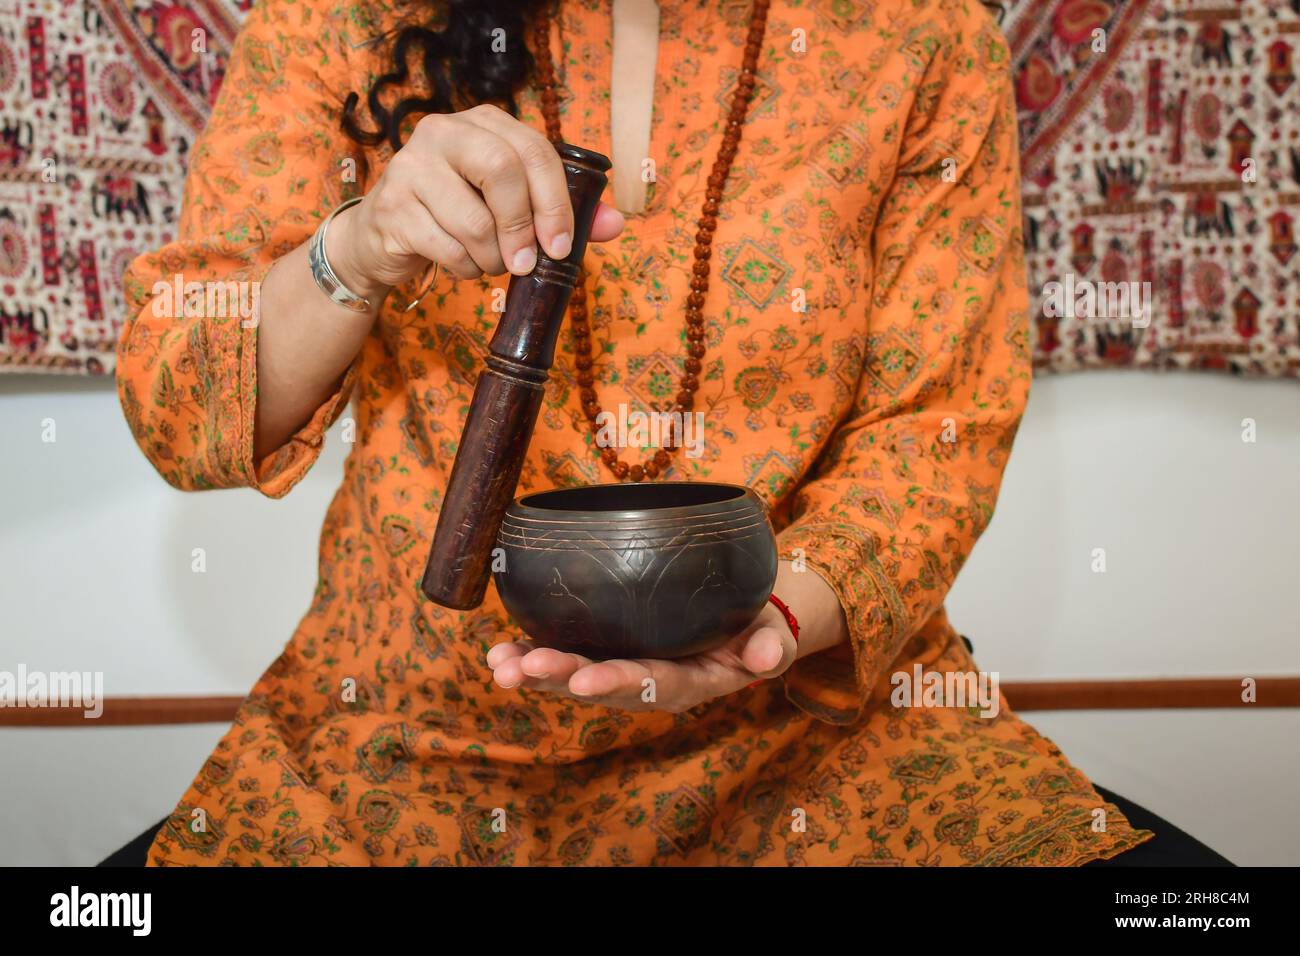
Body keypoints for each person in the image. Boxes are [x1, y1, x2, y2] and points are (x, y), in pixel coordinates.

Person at [113, 0, 1160, 866]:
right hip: (404, 740)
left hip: (812, 740)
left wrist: (770, 632)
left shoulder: (916, 33)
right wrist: (360, 244)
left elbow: (935, 436)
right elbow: (179, 399)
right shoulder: (345, 18)